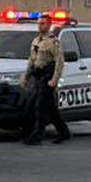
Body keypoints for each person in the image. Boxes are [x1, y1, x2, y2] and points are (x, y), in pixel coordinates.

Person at [22, 14, 71, 146]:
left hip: (47, 77)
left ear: (49, 25)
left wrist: (54, 80)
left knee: (40, 106)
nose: (40, 25)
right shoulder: (36, 41)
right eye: (39, 23)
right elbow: (31, 60)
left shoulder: (53, 42)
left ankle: (37, 136)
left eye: (43, 23)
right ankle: (64, 133)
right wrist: (25, 77)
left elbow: (59, 62)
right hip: (37, 77)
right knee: (50, 108)